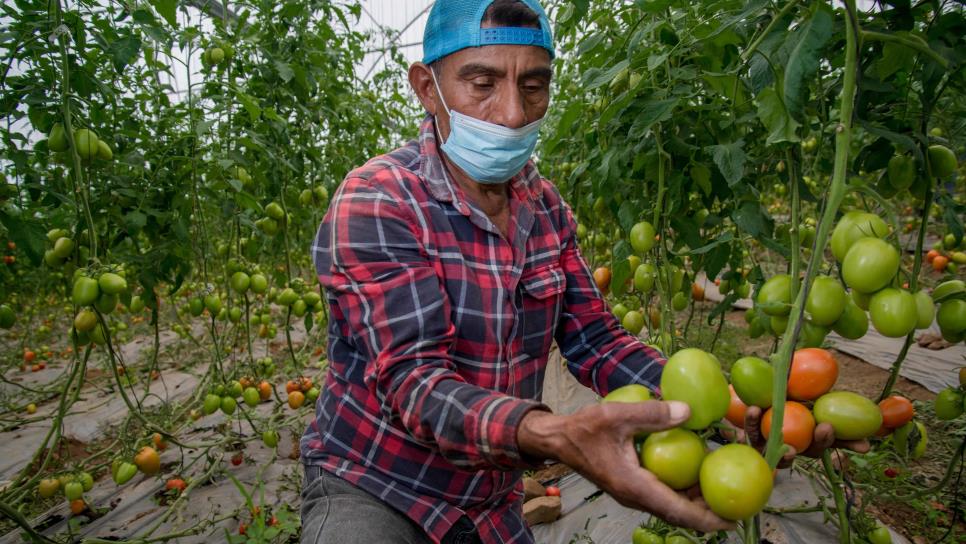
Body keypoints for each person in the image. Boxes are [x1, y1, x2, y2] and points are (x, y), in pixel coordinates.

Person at [299, 1, 864, 542]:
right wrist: (556, 434)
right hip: (376, 483)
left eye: (534, 85)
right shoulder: (379, 201)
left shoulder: (544, 208)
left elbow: (594, 340)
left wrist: (733, 413)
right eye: (482, 84)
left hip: (491, 496)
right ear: (429, 87)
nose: (513, 112)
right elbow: (414, 383)